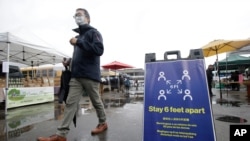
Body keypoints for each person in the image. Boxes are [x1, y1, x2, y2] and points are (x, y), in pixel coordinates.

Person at [37, 8, 107, 141]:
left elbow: (99, 50)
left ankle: (103, 122)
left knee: (96, 101)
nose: (77, 17)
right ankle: (61, 135)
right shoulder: (78, 37)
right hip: (76, 76)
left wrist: (78, 42)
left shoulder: (94, 33)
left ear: (88, 18)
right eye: (75, 15)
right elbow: (80, 55)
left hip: (90, 75)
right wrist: (69, 62)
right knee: (70, 103)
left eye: (79, 15)